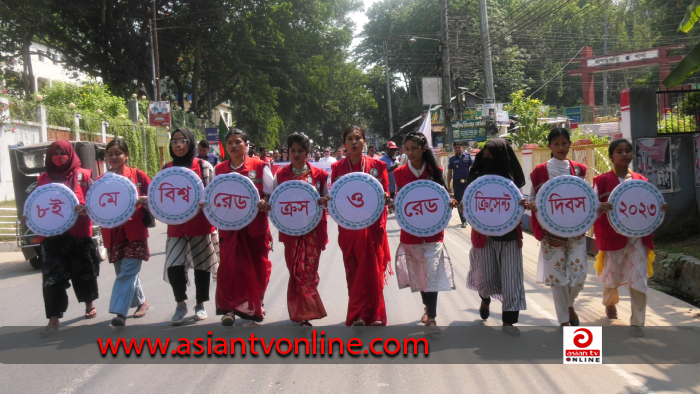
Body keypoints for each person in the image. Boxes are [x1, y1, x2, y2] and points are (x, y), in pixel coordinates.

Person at [594, 139, 667, 337]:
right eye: (619, 151)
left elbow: (651, 204)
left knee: (638, 278)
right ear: (611, 156)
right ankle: (609, 303)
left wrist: (659, 209)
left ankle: (637, 323)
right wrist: (601, 208)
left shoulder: (642, 181)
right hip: (613, 239)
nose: (624, 154)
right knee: (612, 277)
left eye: (627, 151)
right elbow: (592, 211)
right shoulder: (601, 182)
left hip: (637, 239)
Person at [393, 132, 457, 332]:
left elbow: (443, 194)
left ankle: (432, 317)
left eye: (414, 148)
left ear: (423, 149)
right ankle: (427, 308)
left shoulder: (435, 171)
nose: (409, 153)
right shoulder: (399, 173)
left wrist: (451, 200)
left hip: (433, 232)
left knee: (431, 273)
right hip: (411, 232)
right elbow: (399, 200)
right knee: (421, 275)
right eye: (407, 149)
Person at [328, 125, 392, 326]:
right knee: (353, 269)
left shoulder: (377, 166)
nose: (354, 142)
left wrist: (387, 197)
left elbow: (386, 194)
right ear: (344, 143)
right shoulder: (337, 168)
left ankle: (366, 313)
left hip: (372, 227)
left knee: (371, 269)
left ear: (365, 141)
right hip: (348, 228)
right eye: (349, 139)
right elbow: (335, 198)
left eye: (358, 138)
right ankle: (358, 311)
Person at [35, 141, 100, 337]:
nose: (59, 155)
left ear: (71, 154)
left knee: (84, 272)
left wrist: (86, 208)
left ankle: (89, 304)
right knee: (51, 277)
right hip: (52, 236)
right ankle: (54, 318)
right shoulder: (43, 179)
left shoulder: (85, 176)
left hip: (78, 233)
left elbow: (95, 200)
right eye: (55, 152)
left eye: (63, 152)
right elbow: (38, 203)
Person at [465, 139, 528, 336]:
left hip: (509, 234)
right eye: (486, 155)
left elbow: (519, 201)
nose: (489, 159)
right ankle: (485, 298)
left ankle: (509, 321)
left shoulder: (512, 181)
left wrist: (524, 204)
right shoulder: (476, 177)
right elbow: (470, 202)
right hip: (483, 235)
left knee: (511, 277)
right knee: (486, 276)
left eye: (493, 155)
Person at [528, 128, 587, 327]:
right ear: (549, 146)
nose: (561, 148)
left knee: (579, 275)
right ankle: (564, 319)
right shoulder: (540, 171)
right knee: (557, 276)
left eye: (564, 143)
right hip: (550, 232)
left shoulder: (579, 169)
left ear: (570, 144)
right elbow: (532, 198)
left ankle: (569, 305)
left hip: (576, 230)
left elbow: (585, 197)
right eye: (556, 144)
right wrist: (532, 204)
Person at [215, 128, 274, 325]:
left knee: (259, 268)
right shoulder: (220, 169)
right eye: (229, 142)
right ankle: (230, 309)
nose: (233, 145)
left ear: (246, 145)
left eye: (237, 142)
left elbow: (270, 192)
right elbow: (215, 195)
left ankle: (257, 303)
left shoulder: (259, 165)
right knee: (230, 270)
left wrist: (264, 201)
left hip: (255, 227)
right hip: (229, 229)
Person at [163, 128, 219, 325]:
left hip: (200, 224)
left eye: (182, 140)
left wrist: (207, 202)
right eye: (174, 141)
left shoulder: (204, 167)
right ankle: (180, 304)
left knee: (202, 266)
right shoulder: (166, 168)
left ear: (190, 142)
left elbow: (215, 194)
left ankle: (200, 304)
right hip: (176, 226)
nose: (178, 145)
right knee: (173, 265)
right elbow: (160, 195)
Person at [273, 133, 329, 326]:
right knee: (296, 271)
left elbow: (327, 199)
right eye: (292, 151)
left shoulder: (319, 175)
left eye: (300, 151)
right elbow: (275, 201)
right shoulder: (280, 175)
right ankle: (303, 311)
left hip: (313, 231)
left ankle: (305, 313)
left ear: (308, 152)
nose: (296, 155)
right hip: (290, 231)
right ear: (287, 151)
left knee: (309, 272)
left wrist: (324, 201)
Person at [101, 139, 151, 326]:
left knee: (128, 271)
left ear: (126, 155)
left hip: (135, 230)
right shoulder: (101, 181)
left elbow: (157, 197)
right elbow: (96, 206)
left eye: (118, 153)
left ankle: (119, 312)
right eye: (110, 154)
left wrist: (145, 200)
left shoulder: (138, 176)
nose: (114, 157)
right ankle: (141, 302)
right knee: (124, 271)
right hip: (113, 233)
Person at [446, 140, 473, 228]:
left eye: (459, 147)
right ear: (454, 149)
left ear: (462, 147)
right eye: (456, 148)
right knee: (458, 201)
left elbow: (473, 168)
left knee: (467, 201)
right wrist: (448, 185)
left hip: (467, 183)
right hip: (457, 184)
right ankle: (463, 220)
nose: (457, 149)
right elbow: (449, 173)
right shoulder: (452, 159)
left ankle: (468, 217)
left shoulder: (468, 157)